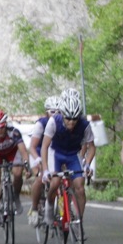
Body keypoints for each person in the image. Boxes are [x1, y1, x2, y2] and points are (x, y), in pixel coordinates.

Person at [41, 95, 96, 227]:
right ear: (62, 114)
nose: (71, 122)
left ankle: (79, 221)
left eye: (74, 119)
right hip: (56, 153)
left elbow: (92, 147)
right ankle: (49, 208)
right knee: (54, 183)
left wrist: (87, 164)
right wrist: (45, 169)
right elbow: (44, 146)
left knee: (80, 188)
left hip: (73, 154)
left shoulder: (84, 125)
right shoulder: (54, 122)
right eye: (68, 119)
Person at [0, 109, 31, 227]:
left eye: (2, 127)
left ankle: (16, 196)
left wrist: (27, 167)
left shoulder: (14, 132)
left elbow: (23, 151)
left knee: (18, 172)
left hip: (12, 152)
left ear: (5, 125)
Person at [27, 96, 60, 226]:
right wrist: (39, 160)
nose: (56, 114)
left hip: (53, 152)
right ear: (46, 112)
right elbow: (32, 147)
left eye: (59, 111)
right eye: (53, 111)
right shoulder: (41, 124)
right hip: (39, 152)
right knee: (41, 177)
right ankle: (34, 208)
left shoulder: (63, 122)